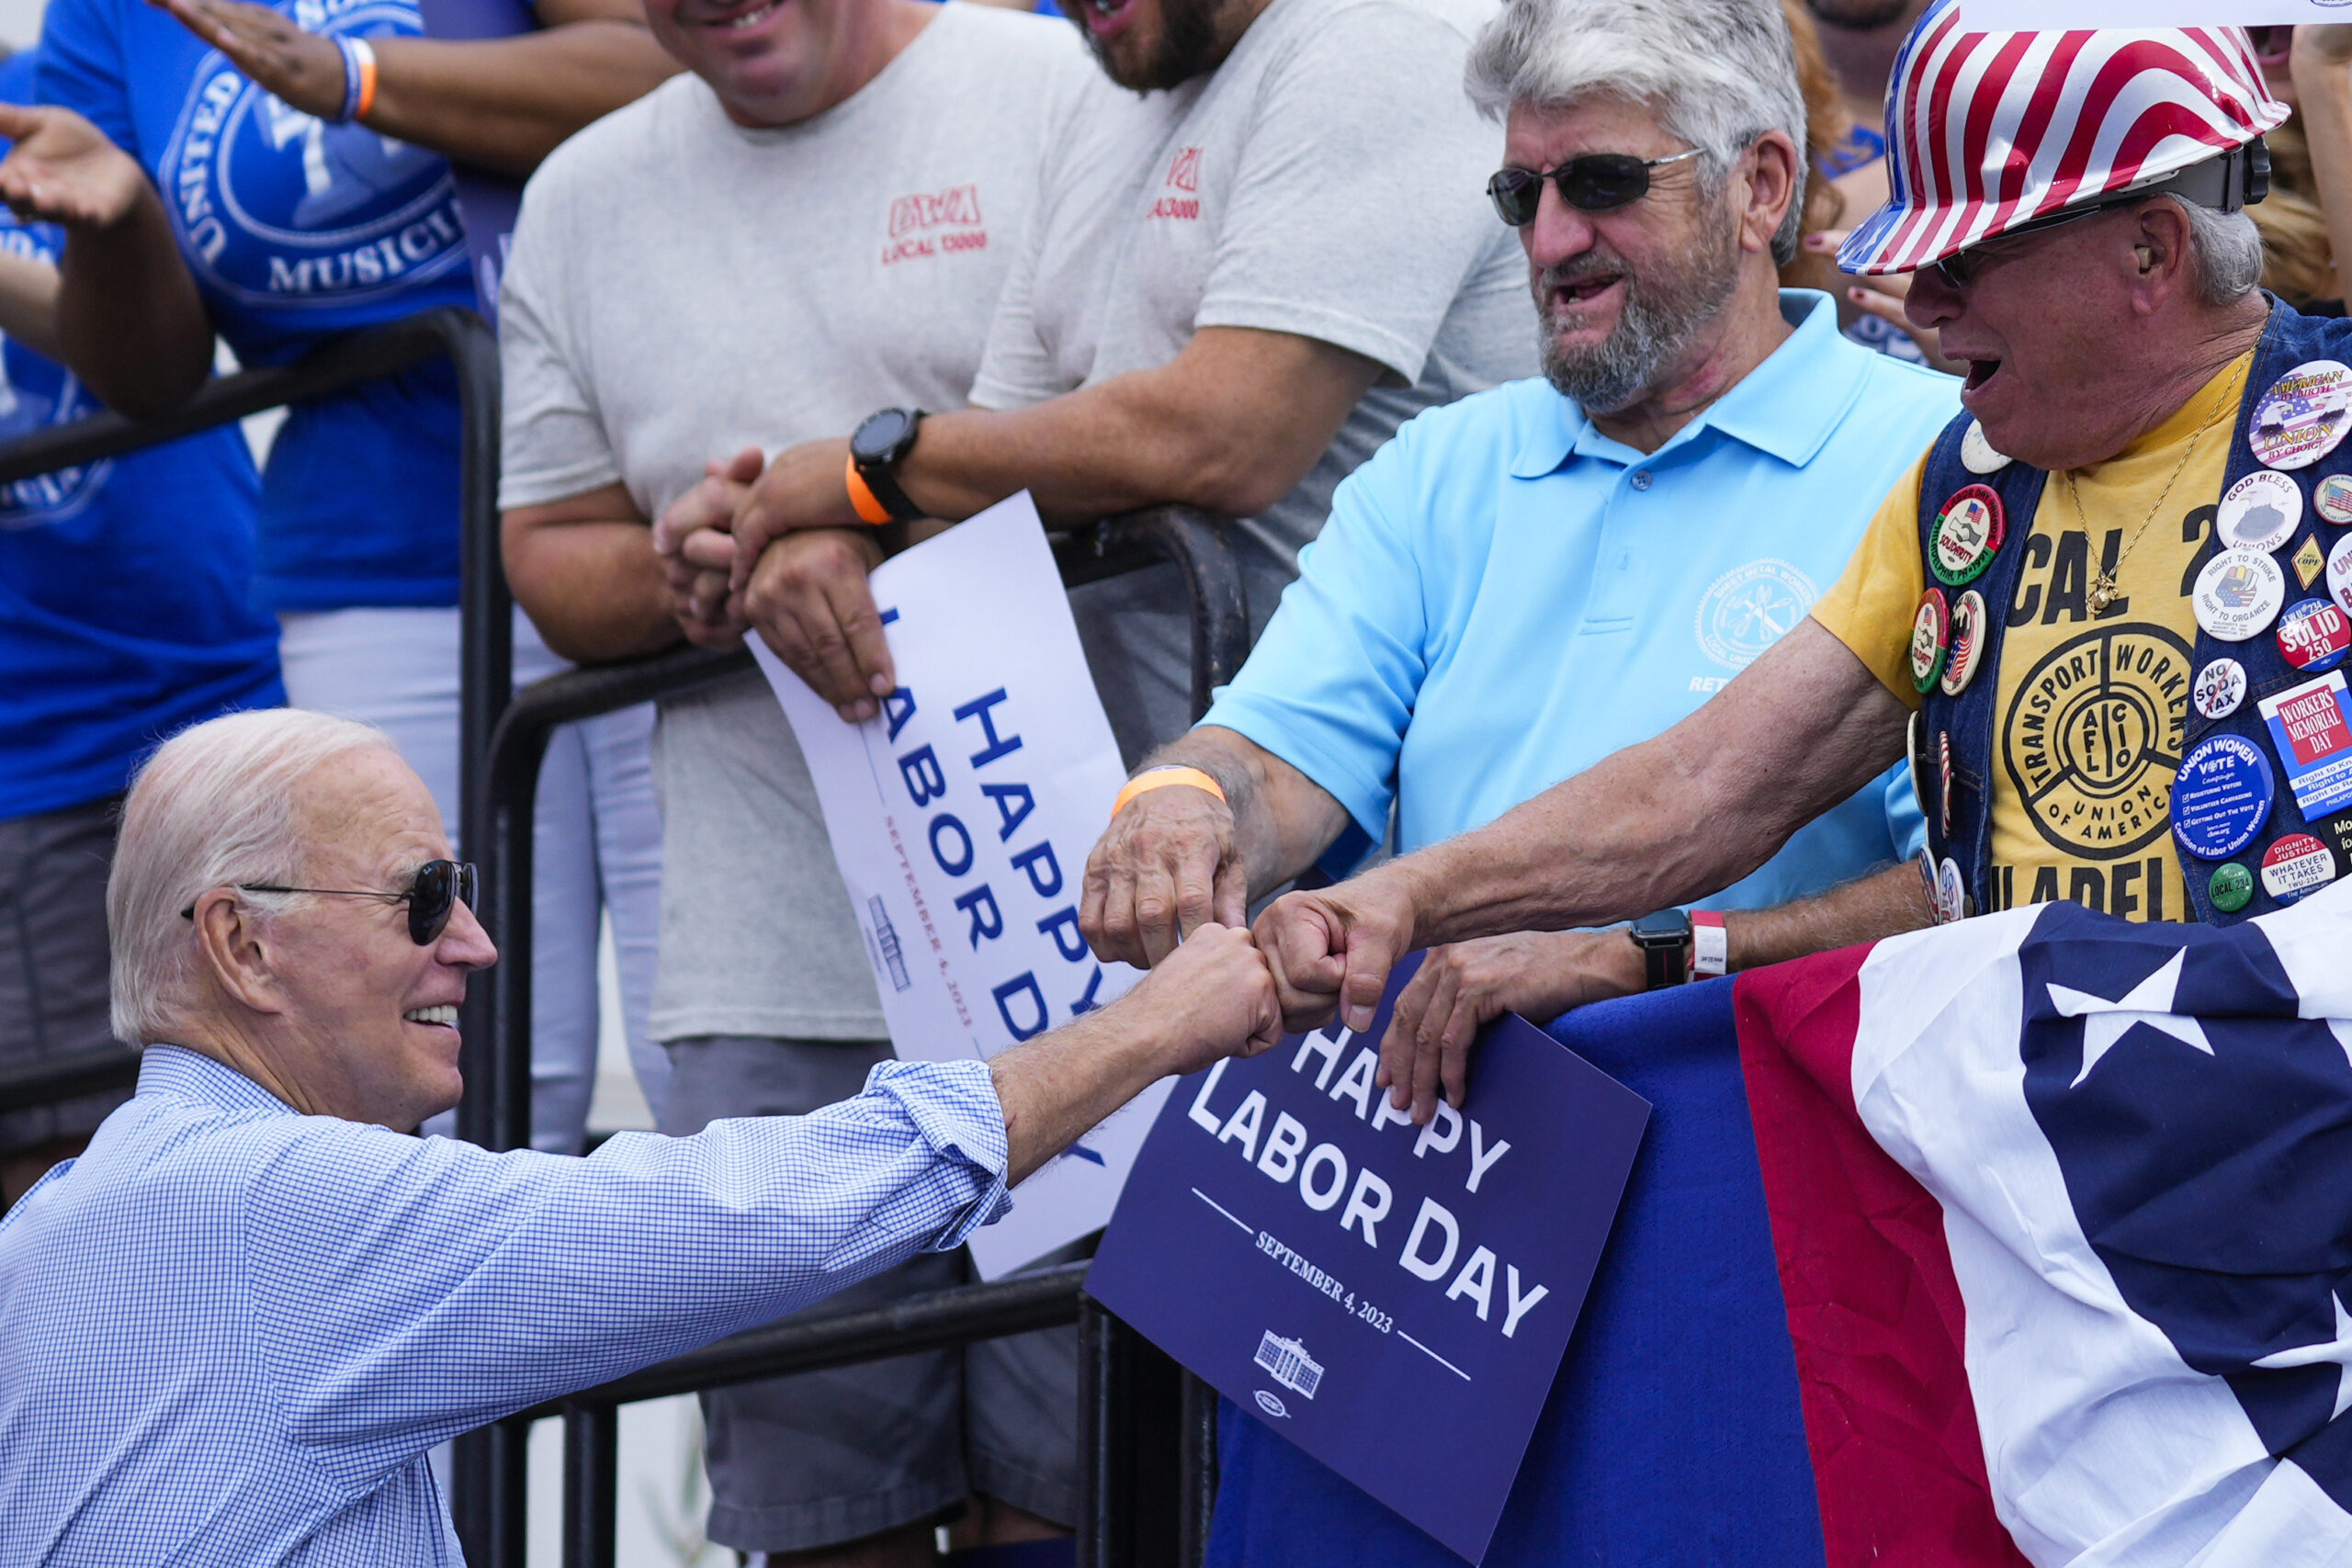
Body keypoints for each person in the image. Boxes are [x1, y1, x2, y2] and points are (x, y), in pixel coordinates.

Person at [1254, 8, 2332, 1107]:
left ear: (2149, 251)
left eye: (1960, 261)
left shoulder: (2326, 457)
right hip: (2047, 1191)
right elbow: (1703, 785)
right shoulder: (1964, 483)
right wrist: (1407, 899)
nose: (1919, 309)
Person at [0, 706, 1281, 1566]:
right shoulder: (269, 1199)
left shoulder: (49, 1224)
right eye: (424, 895)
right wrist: (1149, 1027)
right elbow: (729, 1214)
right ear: (239, 940)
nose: (476, 942)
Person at [1079, 0, 1951, 1121]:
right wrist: (1179, 802)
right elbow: (1279, 753)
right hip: (1469, 1178)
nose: (1547, 243)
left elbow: (1970, 891)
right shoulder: (1447, 464)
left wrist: (1648, 958)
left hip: (1792, 1146)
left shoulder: (1935, 460)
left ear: (1761, 187)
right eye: (1518, 194)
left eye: (1599, 184)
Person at [494, 0, 1098, 1557]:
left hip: (1076, 928)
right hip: (763, 960)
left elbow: (1160, 435)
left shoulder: (1053, 86)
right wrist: (685, 562)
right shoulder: (581, 193)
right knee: (824, 1515)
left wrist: (845, 513)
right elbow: (549, 554)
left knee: (1083, 1495)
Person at [0, 0, 681, 1153]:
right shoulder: (108, 19)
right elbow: (153, 375)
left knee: (710, 1051)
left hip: (654, 515)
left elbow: (673, 70)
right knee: (451, 1105)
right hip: (373, 572)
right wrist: (114, 228)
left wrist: (354, 78)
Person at [689, 0, 1536, 769]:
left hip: (1395, 830)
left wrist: (864, 476)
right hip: (1192, 828)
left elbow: (1226, 439)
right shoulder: (1118, 96)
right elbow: (971, 484)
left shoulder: (1386, 37)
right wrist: (822, 538)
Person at [0, 43, 280, 1208]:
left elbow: (157, 350)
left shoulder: (72, 86)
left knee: (284, 1134)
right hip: (43, 778)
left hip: (238, 709)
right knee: (69, 1181)